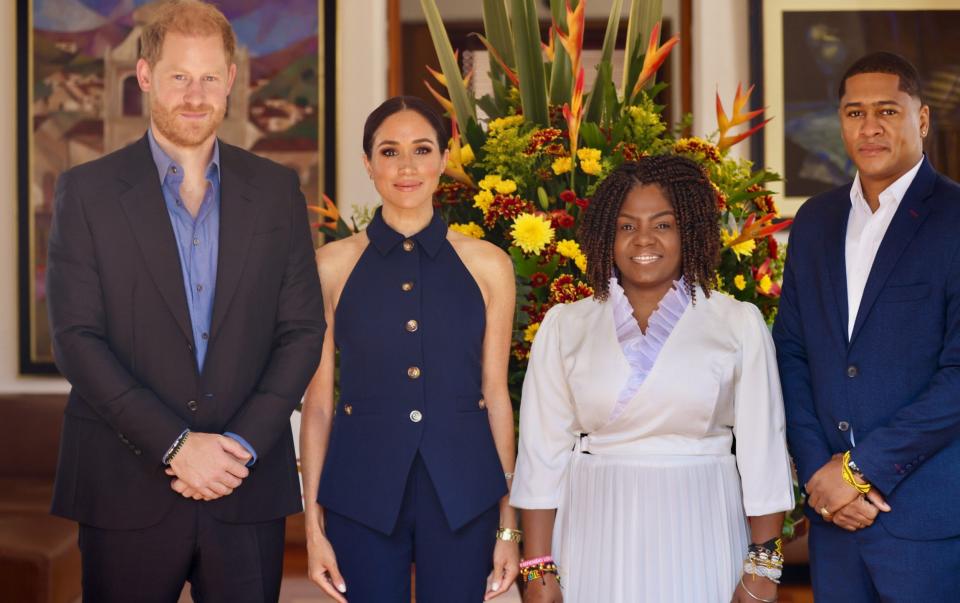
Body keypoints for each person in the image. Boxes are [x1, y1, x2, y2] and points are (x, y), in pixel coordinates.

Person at [45, 1, 325, 600]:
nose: (194, 96)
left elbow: (301, 330)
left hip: (244, 483)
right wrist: (176, 446)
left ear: (230, 79)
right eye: (177, 77)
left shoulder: (277, 192)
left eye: (208, 77)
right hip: (124, 486)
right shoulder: (87, 192)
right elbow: (75, 339)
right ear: (144, 75)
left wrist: (239, 447)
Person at [511, 155, 795, 603]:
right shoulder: (565, 324)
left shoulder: (736, 322)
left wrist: (763, 566)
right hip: (594, 525)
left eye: (662, 225)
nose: (643, 239)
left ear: (691, 232)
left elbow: (764, 450)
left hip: (702, 519)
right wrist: (537, 565)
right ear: (607, 234)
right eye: (626, 226)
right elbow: (541, 453)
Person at [299, 96, 520, 603]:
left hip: (465, 495)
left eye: (422, 150)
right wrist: (313, 527)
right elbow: (318, 405)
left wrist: (509, 526)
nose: (406, 167)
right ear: (368, 164)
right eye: (389, 151)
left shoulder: (490, 265)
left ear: (444, 158)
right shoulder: (330, 266)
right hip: (360, 493)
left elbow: (496, 394)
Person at [773, 51, 960, 601]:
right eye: (855, 113)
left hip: (925, 521)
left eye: (887, 110)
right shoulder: (815, 220)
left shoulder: (955, 219)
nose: (870, 127)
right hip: (835, 523)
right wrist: (819, 477)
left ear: (921, 119)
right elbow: (793, 353)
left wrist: (858, 471)